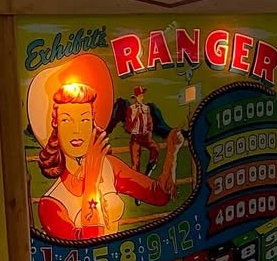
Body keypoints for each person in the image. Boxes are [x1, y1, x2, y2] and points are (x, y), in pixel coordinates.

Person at [36, 82, 184, 240]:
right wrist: (91, 179)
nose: (77, 130)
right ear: (56, 124)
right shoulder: (51, 204)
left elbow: (159, 195)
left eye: (84, 120)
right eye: (67, 120)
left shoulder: (109, 165)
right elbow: (89, 243)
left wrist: (172, 153)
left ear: (92, 123)